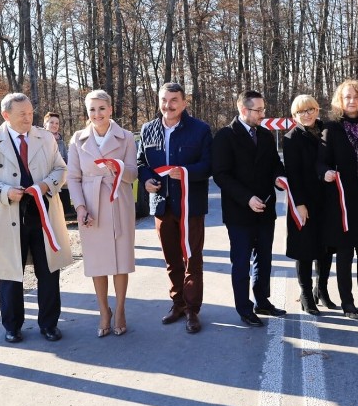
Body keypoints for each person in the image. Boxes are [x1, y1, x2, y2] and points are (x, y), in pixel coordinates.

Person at [0, 93, 72, 343]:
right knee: (9, 274)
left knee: (49, 271)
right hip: (8, 215)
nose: (28, 118)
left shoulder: (45, 137)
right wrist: (5, 192)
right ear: (6, 115)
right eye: (22, 114)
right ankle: (12, 327)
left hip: (43, 214)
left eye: (30, 113)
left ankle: (49, 324)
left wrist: (47, 185)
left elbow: (61, 168)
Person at [138, 82, 212, 334]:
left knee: (192, 259)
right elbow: (141, 163)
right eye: (163, 100)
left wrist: (186, 173)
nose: (167, 105)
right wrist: (145, 179)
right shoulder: (148, 129)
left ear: (184, 103)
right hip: (161, 206)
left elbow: (209, 165)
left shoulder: (200, 130)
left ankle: (192, 309)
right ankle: (177, 303)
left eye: (173, 100)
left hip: (190, 206)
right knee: (171, 260)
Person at [67, 90, 138, 337]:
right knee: (98, 262)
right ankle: (103, 310)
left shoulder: (126, 137)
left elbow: (132, 174)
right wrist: (81, 207)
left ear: (110, 109)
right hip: (91, 203)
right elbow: (73, 178)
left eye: (101, 108)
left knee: (120, 260)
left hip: (118, 201)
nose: (97, 114)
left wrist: (117, 168)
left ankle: (120, 309)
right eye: (92, 110)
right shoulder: (77, 139)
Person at [212, 90, 285, 327]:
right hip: (239, 211)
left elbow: (276, 165)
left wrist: (279, 178)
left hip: (265, 207)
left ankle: (262, 300)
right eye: (259, 110)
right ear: (244, 110)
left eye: (263, 109)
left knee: (264, 259)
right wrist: (247, 198)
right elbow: (221, 175)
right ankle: (244, 308)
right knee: (241, 261)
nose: (263, 114)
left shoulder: (264, 135)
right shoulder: (225, 136)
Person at [319, 80, 358, 320]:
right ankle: (348, 302)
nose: (351, 101)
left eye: (355, 97)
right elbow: (321, 162)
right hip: (342, 201)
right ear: (339, 102)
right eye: (346, 97)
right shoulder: (331, 129)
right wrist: (325, 173)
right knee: (345, 252)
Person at [283, 95, 333, 316]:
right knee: (304, 249)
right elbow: (292, 175)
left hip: (326, 199)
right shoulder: (291, 138)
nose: (307, 114)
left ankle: (321, 289)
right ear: (295, 116)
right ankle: (305, 294)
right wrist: (300, 204)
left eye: (310, 109)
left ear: (317, 110)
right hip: (303, 200)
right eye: (301, 112)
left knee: (326, 248)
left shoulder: (327, 131)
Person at [44, 112, 76, 218]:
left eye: (57, 123)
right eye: (51, 122)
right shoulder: (40, 140)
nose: (54, 125)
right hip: (46, 176)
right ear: (45, 124)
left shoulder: (61, 143)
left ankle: (66, 212)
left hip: (61, 176)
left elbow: (67, 160)